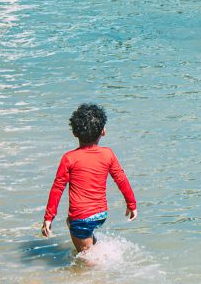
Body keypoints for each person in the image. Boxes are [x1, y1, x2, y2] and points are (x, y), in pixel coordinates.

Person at [42, 104, 138, 254]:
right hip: (101, 214)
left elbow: (57, 188)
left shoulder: (69, 158)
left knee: (86, 258)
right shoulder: (108, 154)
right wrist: (131, 204)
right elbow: (121, 179)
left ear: (74, 132)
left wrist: (48, 218)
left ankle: (101, 271)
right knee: (73, 226)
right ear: (103, 131)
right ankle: (99, 252)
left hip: (81, 218)